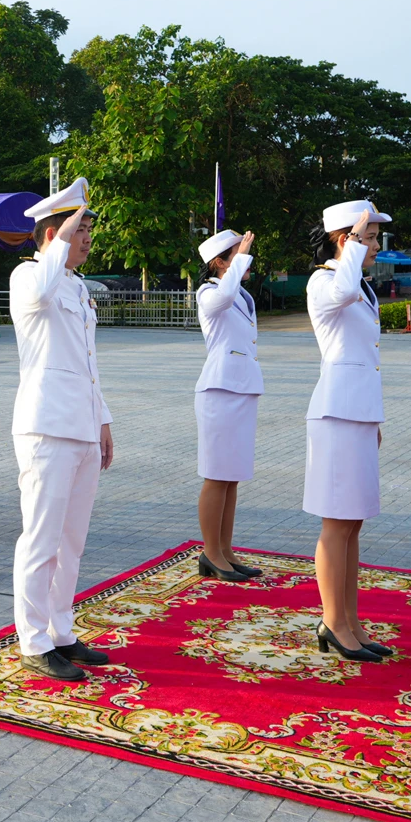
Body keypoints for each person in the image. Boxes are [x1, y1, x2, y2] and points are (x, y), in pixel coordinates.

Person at [9, 177, 114, 682]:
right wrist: (61, 233)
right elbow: (46, 274)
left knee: (71, 540)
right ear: (54, 234)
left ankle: (60, 630)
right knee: (41, 537)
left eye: (89, 228)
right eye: (81, 229)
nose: (88, 238)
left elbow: (87, 363)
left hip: (81, 425)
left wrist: (103, 420)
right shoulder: (30, 277)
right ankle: (32, 639)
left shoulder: (74, 285)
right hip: (46, 425)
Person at [304, 200, 393, 663]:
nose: (376, 246)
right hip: (336, 415)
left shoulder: (356, 282)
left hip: (356, 414)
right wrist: (354, 247)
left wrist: (373, 418)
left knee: (353, 522)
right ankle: (333, 622)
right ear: (346, 239)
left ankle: (350, 621)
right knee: (336, 523)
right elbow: (340, 291)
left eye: (374, 238)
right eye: (370, 238)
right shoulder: (324, 281)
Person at [193, 228, 264, 582]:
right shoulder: (208, 292)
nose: (247, 259)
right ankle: (210, 552)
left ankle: (225, 549)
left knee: (232, 477)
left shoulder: (241, 294)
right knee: (217, 475)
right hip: (219, 391)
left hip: (241, 389)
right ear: (219, 263)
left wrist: (240, 259)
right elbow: (222, 297)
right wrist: (240, 260)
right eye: (238, 254)